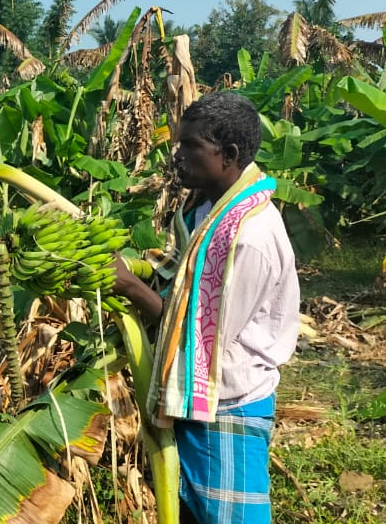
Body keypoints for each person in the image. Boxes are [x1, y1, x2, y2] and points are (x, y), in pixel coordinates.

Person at [112, 91, 300, 524]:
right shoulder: (207, 211)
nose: (177, 156)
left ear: (229, 154)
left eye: (190, 146)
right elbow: (184, 278)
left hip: (229, 405)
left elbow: (201, 336)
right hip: (199, 406)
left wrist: (128, 287)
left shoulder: (248, 237)